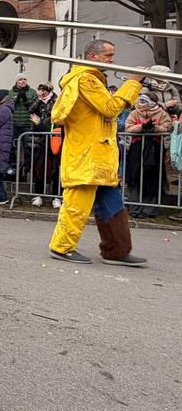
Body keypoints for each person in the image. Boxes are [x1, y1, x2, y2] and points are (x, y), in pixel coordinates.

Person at [48, 39, 147, 266]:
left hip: (100, 156)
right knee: (77, 206)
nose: (113, 59)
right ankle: (61, 247)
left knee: (113, 206)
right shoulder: (85, 79)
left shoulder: (93, 79)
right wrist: (133, 83)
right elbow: (110, 109)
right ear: (92, 57)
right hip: (87, 156)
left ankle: (117, 251)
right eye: (108, 55)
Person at [124, 92, 172, 218]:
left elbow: (167, 127)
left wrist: (154, 128)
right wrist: (141, 127)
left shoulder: (162, 113)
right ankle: (135, 208)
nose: (141, 104)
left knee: (153, 178)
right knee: (136, 177)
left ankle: (149, 210)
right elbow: (128, 127)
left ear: (151, 103)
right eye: (140, 101)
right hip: (137, 148)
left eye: (144, 101)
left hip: (154, 148)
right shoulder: (134, 113)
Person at [30, 82, 61, 207]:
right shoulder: (40, 102)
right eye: (40, 90)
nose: (41, 93)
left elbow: (53, 120)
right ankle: (38, 195)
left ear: (49, 91)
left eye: (44, 91)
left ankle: (56, 197)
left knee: (56, 169)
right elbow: (31, 111)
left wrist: (40, 122)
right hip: (43, 140)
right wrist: (38, 100)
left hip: (56, 139)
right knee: (39, 167)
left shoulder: (56, 101)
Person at [9, 72, 37, 177]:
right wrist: (16, 100)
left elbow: (34, 108)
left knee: (28, 147)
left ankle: (27, 170)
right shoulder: (11, 92)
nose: (23, 81)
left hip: (27, 123)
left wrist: (26, 101)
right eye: (20, 79)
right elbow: (10, 107)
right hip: (14, 123)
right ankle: (12, 169)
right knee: (12, 147)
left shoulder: (32, 92)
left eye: (25, 79)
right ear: (16, 82)